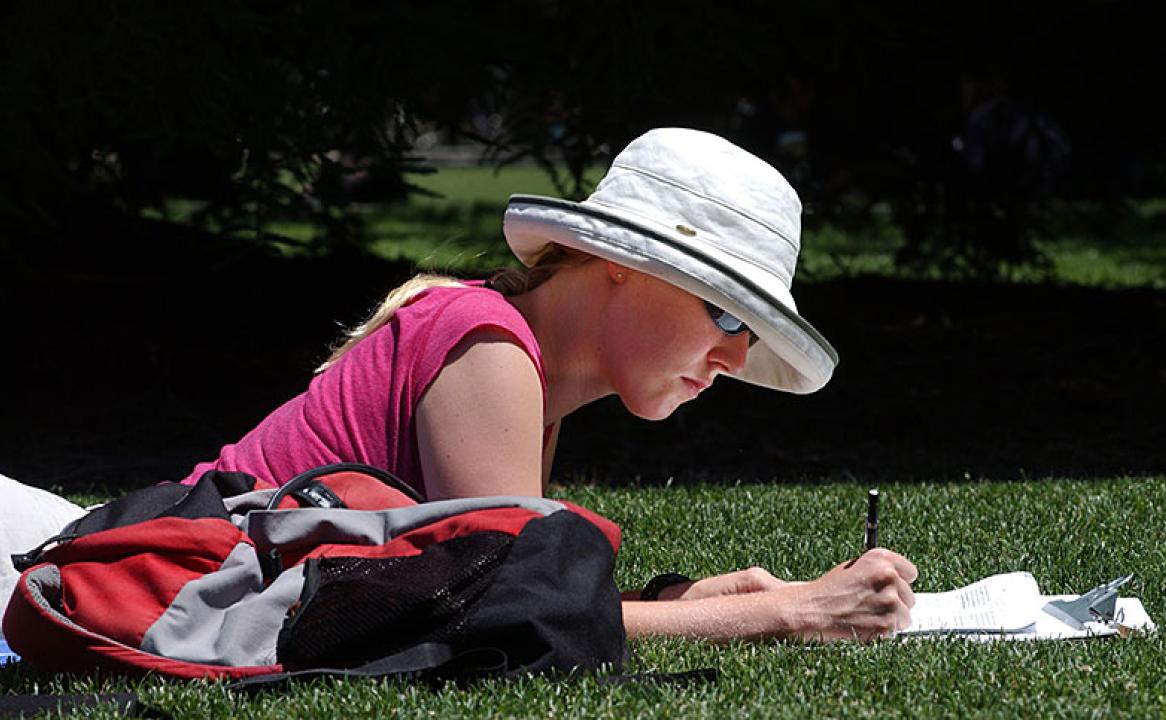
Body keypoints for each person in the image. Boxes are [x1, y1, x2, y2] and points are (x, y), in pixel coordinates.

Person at [1, 128, 916, 643]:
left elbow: (465, 591)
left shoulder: (513, 359)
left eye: (748, 333)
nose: (730, 357)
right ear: (621, 263)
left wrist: (698, 603)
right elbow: (495, 623)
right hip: (82, 575)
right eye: (725, 314)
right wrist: (786, 614)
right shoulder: (489, 351)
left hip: (118, 570)